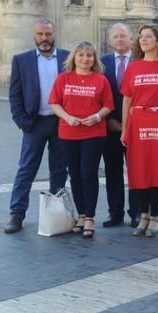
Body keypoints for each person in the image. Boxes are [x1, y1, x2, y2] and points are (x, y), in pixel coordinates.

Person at [4, 18, 70, 234]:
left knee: (59, 171)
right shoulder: (21, 60)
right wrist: (22, 121)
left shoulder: (67, 58)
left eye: (48, 34)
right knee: (26, 169)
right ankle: (16, 214)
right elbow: (15, 94)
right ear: (34, 35)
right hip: (34, 123)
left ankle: (55, 215)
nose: (44, 39)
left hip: (61, 122)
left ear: (54, 35)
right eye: (41, 34)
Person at [48, 42, 113, 239]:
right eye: (81, 55)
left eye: (89, 55)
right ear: (74, 58)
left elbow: (108, 105)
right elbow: (54, 102)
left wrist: (97, 117)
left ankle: (90, 217)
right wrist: (67, 117)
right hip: (69, 132)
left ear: (94, 59)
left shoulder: (100, 80)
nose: (85, 59)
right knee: (74, 175)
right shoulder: (63, 79)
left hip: (93, 133)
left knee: (88, 173)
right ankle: (81, 214)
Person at [120, 24, 158, 238]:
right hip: (136, 126)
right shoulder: (133, 68)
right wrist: (124, 128)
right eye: (141, 36)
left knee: (156, 171)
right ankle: (142, 214)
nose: (143, 40)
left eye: (148, 37)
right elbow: (126, 99)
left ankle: (154, 216)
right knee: (138, 171)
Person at [101, 24, 138, 227]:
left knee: (135, 171)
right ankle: (115, 213)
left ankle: (136, 212)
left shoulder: (140, 62)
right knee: (113, 170)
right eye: (115, 36)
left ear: (131, 38)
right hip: (110, 127)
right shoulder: (102, 63)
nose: (120, 39)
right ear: (110, 40)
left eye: (123, 35)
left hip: (136, 127)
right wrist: (109, 120)